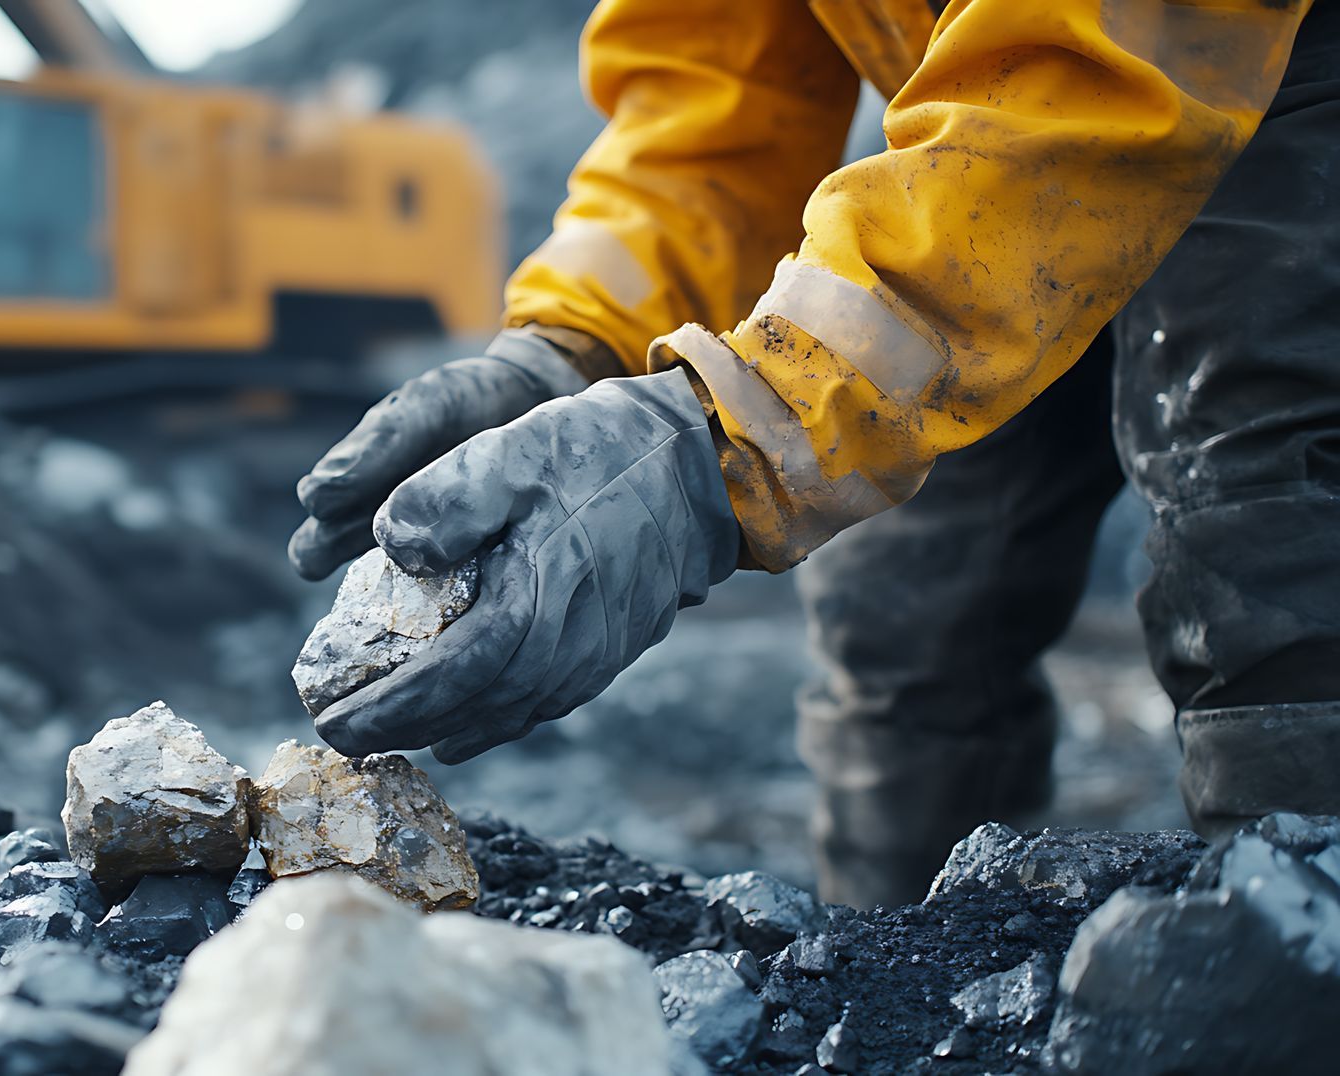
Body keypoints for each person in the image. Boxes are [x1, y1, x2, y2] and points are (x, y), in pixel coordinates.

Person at [289, 0, 1338, 909]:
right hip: (972, 149)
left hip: (1283, 83)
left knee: (1274, 545)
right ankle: (909, 993)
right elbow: (711, 94)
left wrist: (727, 438)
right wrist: (570, 346)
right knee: (907, 613)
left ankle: (1300, 958)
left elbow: (1104, 49)